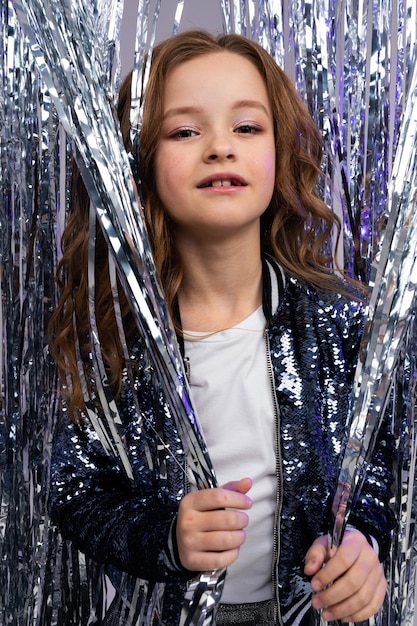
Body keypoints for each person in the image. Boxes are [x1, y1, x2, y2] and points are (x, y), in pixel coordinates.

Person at [49, 29, 395, 626]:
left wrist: (365, 541)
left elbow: (386, 466)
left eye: (247, 127)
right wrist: (166, 537)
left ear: (280, 153)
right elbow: (75, 492)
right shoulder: (111, 341)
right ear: (140, 162)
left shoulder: (344, 325)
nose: (219, 148)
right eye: (185, 131)